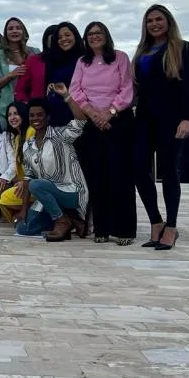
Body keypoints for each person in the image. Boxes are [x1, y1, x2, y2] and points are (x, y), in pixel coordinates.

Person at [132, 4, 189, 251]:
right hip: (145, 119)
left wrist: (187, 118)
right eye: (149, 21)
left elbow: (187, 86)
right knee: (138, 169)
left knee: (169, 172)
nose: (154, 24)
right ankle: (156, 222)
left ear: (168, 21)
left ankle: (172, 227)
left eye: (159, 19)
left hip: (172, 118)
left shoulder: (183, 47)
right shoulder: (142, 51)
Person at [71, 21, 135, 245]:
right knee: (97, 176)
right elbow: (75, 89)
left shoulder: (120, 57)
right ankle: (102, 228)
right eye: (90, 34)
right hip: (92, 121)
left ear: (106, 35)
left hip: (118, 120)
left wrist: (109, 112)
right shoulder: (82, 62)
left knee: (120, 174)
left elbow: (127, 87)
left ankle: (124, 229)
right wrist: (93, 114)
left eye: (98, 33)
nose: (94, 37)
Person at [14, 91, 89, 241]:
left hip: (71, 192)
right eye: (32, 115)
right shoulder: (28, 146)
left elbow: (81, 121)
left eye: (39, 115)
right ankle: (71, 220)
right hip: (47, 197)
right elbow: (28, 178)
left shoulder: (60, 135)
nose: (35, 119)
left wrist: (67, 96)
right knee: (23, 228)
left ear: (47, 117)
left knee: (36, 185)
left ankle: (62, 221)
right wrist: (24, 210)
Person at [0, 17, 36, 127]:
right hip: (6, 112)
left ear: (24, 31)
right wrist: (10, 75)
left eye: (18, 28)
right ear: (5, 33)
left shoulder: (35, 52)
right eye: (10, 29)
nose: (14, 31)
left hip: (31, 110)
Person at [0, 101, 33, 222]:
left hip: (35, 182)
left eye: (16, 114)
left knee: (5, 198)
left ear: (23, 114)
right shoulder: (17, 137)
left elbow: (35, 162)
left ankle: (35, 213)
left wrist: (24, 181)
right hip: (24, 183)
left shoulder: (31, 131)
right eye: (9, 114)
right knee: (4, 198)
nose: (12, 117)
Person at [14, 25, 56, 108]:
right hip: (38, 112)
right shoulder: (33, 60)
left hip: (70, 112)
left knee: (80, 122)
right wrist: (26, 107)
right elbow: (20, 90)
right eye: (53, 38)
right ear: (46, 40)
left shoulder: (73, 61)